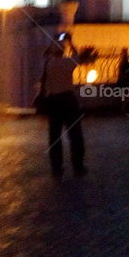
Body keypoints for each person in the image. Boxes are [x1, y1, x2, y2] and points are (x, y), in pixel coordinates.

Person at [41, 36, 86, 176]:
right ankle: (78, 166)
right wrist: (71, 42)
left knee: (54, 136)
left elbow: (44, 54)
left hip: (53, 101)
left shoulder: (48, 63)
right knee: (75, 135)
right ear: (63, 51)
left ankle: (57, 168)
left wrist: (51, 42)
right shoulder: (68, 62)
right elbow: (78, 56)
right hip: (69, 100)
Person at [115, 49, 129, 114]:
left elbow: (120, 73)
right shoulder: (128, 64)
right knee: (125, 95)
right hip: (126, 81)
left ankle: (123, 108)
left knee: (122, 95)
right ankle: (124, 108)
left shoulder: (122, 64)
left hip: (122, 81)